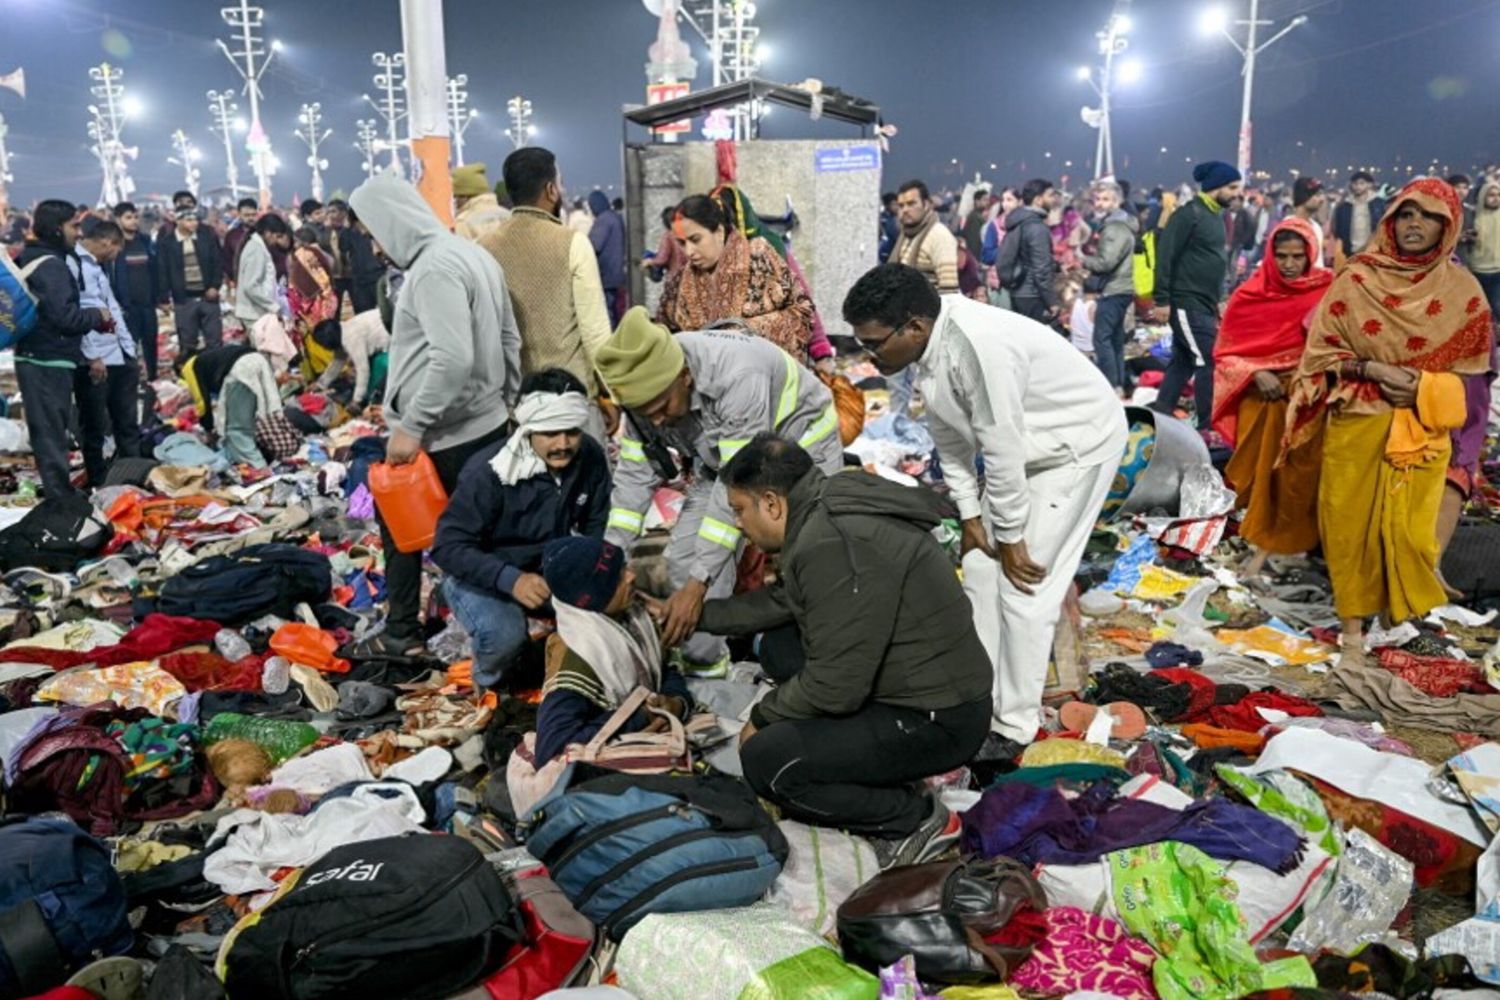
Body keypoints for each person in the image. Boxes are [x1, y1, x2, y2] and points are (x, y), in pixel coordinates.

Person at [843, 264, 1126, 744]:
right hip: (1023, 453)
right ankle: (978, 700)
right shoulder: (929, 346)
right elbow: (949, 440)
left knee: (1025, 587)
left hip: (1075, 446)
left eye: (874, 343)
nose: (869, 356)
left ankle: (1014, 725)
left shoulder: (976, 348)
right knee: (979, 570)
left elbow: (1000, 447)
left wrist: (1013, 537)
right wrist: (972, 517)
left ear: (915, 327)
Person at [691, 435, 990, 866]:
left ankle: (916, 820)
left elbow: (837, 686)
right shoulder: (825, 504)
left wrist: (762, 717)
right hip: (922, 689)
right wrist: (697, 616)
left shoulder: (830, 542)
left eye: (739, 510)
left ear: (772, 504)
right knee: (781, 646)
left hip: (938, 718)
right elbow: (783, 602)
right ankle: (872, 768)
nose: (738, 523)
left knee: (768, 761)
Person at [1286, 179, 1492, 667]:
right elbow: (1320, 351)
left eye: (1428, 217)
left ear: (1448, 227)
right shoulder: (1357, 279)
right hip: (1358, 418)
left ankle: (1389, 621)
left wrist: (1422, 385)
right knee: (1348, 527)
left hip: (1422, 430)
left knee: (1410, 536)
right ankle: (1353, 630)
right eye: (1405, 214)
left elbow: (1474, 379)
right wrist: (1370, 368)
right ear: (1389, 220)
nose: (1414, 224)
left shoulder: (1464, 292)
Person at [596, 307, 843, 675]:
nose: (658, 421)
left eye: (662, 408)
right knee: (685, 559)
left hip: (802, 451)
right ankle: (706, 669)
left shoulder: (737, 375)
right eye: (648, 415)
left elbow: (737, 490)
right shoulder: (644, 403)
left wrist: (699, 585)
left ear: (684, 378)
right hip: (723, 460)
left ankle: (822, 659)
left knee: (808, 556)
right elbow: (634, 478)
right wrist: (608, 561)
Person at [348, 171, 523, 658]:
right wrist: (505, 403)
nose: (377, 247)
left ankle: (404, 630)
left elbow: (452, 358)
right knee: (475, 536)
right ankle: (480, 629)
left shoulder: (433, 270)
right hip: (484, 421)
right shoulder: (471, 254)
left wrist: (412, 426)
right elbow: (510, 337)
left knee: (408, 530)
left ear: (394, 222)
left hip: (445, 435)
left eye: (376, 233)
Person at [431, 371, 610, 689]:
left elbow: (596, 526)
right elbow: (447, 546)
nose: (563, 444)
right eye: (550, 433)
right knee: (504, 638)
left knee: (611, 614)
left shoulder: (590, 457)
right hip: (484, 575)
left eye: (572, 432)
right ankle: (487, 688)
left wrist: (597, 578)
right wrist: (510, 580)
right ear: (527, 429)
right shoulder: (488, 472)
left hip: (546, 573)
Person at [1210, 218, 1333, 579]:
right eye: (1282, 256)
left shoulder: (1329, 289)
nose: (1290, 264)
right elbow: (1226, 353)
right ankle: (1265, 540)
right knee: (1263, 476)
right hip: (1263, 399)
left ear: (1312, 254)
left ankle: (1293, 544)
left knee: (1297, 478)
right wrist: (1255, 372)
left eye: (1298, 255)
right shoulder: (1250, 295)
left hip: (1308, 400)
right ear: (1270, 255)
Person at [478, 146, 611, 437]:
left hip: (513, 408)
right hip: (571, 401)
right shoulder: (573, 243)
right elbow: (595, 333)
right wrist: (611, 394)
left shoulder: (483, 248)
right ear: (551, 190)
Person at [535, 536, 693, 766]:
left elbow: (666, 668)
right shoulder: (579, 655)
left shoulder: (631, 617)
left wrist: (676, 702)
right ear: (590, 598)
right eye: (617, 578)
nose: (632, 576)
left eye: (624, 567)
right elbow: (552, 750)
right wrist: (638, 718)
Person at [14, 200, 113, 497]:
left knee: (52, 432)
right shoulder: (52, 266)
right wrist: (98, 316)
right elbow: (65, 317)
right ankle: (60, 501)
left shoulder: (39, 258)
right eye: (74, 226)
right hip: (45, 358)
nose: (79, 233)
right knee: (50, 434)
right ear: (57, 229)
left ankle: (61, 495)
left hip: (44, 356)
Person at [656, 194, 815, 363]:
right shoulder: (680, 281)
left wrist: (745, 332)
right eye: (682, 243)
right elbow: (666, 333)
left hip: (764, 377)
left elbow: (802, 312)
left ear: (718, 232)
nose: (689, 251)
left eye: (696, 240)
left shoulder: (760, 259)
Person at [1150, 160, 1242, 430]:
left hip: (1204, 304)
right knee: (1207, 360)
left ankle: (1161, 415)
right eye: (1232, 187)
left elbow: (1215, 260)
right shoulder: (1189, 214)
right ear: (1216, 187)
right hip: (1185, 302)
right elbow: (1165, 255)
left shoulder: (1215, 217)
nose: (1237, 193)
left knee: (1183, 362)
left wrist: (1221, 296)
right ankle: (1207, 427)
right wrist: (1162, 299)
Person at [74, 219, 142, 487]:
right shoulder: (74, 265)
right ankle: (99, 483)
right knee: (94, 426)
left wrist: (129, 350)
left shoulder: (97, 268)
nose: (116, 256)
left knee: (126, 422)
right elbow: (78, 314)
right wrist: (92, 356)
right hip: (96, 360)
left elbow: (112, 308)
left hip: (118, 355)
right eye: (116, 249)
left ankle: (133, 477)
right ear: (107, 242)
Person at [178, 343, 279, 468]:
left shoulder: (189, 366)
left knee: (236, 430)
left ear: (180, 366)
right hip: (258, 361)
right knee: (251, 419)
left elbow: (201, 401)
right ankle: (261, 459)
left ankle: (259, 468)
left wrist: (208, 428)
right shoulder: (210, 357)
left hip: (240, 371)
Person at [1080, 180, 1139, 392]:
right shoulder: (1117, 225)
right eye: (1097, 199)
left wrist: (1082, 259)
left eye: (1106, 199)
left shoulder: (1114, 227)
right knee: (1114, 339)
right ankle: (1119, 384)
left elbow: (1106, 262)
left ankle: (1111, 386)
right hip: (1121, 288)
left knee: (1101, 339)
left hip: (1115, 288)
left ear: (1117, 202)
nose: (1100, 204)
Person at [157, 196, 224, 357]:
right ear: (178, 221)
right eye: (188, 220)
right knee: (188, 345)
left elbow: (217, 263)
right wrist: (164, 299)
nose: (194, 223)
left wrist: (215, 286)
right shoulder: (167, 243)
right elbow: (162, 272)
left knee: (215, 342)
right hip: (183, 300)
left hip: (208, 297)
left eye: (195, 219)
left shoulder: (206, 238)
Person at [997, 178, 1060, 323]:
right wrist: (1051, 301)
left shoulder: (1020, 221)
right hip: (1032, 294)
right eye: (1050, 195)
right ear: (1038, 200)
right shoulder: (1036, 227)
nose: (1053, 200)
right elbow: (1041, 269)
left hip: (1018, 291)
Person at [108, 202, 160, 380]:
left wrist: (159, 297)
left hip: (147, 303)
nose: (133, 221)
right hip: (127, 306)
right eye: (128, 218)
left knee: (150, 344)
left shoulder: (145, 242)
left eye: (135, 217)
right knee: (129, 345)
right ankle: (130, 380)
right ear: (118, 220)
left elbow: (155, 269)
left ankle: (152, 379)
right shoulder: (114, 245)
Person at [312, 311, 391, 413]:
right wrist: (320, 384)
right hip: (385, 326)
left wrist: (356, 400)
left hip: (390, 339)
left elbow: (363, 369)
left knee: (375, 373)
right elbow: (338, 361)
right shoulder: (341, 330)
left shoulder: (351, 339)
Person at [889, 180, 959, 294]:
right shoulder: (905, 235)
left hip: (929, 310)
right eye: (901, 206)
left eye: (911, 204)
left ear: (926, 205)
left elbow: (949, 290)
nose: (905, 210)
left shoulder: (939, 236)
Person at [288, 225, 338, 375]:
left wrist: (302, 304)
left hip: (314, 305)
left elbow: (317, 282)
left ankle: (330, 373)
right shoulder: (313, 253)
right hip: (321, 302)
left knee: (318, 338)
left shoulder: (306, 255)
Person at [233, 214, 290, 331]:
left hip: (258, 311)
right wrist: (274, 307)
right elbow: (251, 286)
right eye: (277, 236)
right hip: (253, 312)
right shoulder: (256, 250)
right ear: (267, 232)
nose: (277, 241)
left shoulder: (259, 247)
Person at [588, 190, 627, 326]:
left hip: (606, 274)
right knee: (615, 310)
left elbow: (594, 245)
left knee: (606, 312)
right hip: (617, 272)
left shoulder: (603, 221)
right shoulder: (615, 217)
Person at [338, 203, 385, 315]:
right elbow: (343, 247)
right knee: (363, 312)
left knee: (384, 309)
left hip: (377, 274)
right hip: (360, 278)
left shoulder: (376, 226)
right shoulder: (349, 231)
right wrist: (345, 228)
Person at [1332, 170, 1385, 260]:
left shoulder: (1379, 204)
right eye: (1355, 183)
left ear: (1369, 185)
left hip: (1373, 251)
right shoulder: (1344, 206)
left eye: (1362, 183)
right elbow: (1338, 231)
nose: (1358, 186)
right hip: (1350, 252)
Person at [453, 162, 511, 242]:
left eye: (455, 196)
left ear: (465, 196)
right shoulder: (509, 216)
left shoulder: (463, 223)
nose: (455, 202)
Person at [1472, 179, 1500, 315]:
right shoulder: (1473, 216)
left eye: (1498, 195)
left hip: (1498, 270)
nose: (1495, 198)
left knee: (1496, 305)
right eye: (1491, 195)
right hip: (1476, 270)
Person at [221, 196, 259, 282]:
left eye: (253, 215)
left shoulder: (262, 233)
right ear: (239, 214)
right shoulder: (232, 235)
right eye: (246, 215)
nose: (250, 218)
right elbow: (227, 260)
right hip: (239, 281)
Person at [1290, 177, 1327, 264]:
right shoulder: (1289, 227)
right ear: (1304, 197)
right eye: (1317, 195)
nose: (1322, 199)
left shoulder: (1316, 227)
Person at [1449, 173, 1476, 265]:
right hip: (1445, 260)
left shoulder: (1468, 210)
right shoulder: (1441, 209)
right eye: (1458, 187)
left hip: (1463, 258)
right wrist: (1457, 238)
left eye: (1465, 188)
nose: (1461, 191)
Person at [962, 187, 992, 262]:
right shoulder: (975, 218)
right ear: (977, 201)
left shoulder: (977, 216)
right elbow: (974, 243)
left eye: (988, 200)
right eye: (985, 200)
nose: (987, 202)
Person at [877, 191, 900, 263]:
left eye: (897, 204)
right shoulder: (886, 219)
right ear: (887, 205)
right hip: (884, 251)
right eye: (893, 204)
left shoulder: (896, 218)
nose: (896, 207)